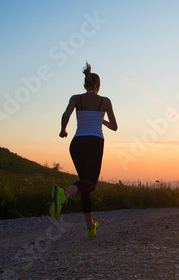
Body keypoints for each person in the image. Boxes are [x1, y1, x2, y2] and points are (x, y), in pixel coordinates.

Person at [50, 62, 118, 239]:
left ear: (84, 84)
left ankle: (90, 228)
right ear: (98, 86)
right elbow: (115, 127)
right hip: (94, 142)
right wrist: (101, 120)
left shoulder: (76, 98)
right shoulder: (105, 101)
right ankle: (63, 194)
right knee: (91, 184)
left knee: (85, 184)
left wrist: (63, 130)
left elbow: (66, 115)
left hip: (77, 143)